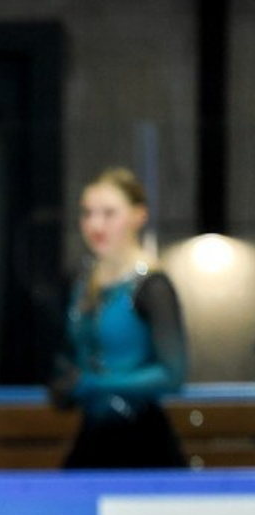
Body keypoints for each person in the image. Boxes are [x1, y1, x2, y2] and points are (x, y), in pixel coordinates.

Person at [49, 167, 188, 468]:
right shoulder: (82, 281)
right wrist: (66, 382)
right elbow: (74, 353)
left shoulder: (152, 287)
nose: (95, 224)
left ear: (139, 216)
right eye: (88, 213)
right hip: (93, 434)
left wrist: (97, 384)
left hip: (142, 439)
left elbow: (172, 374)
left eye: (109, 213)